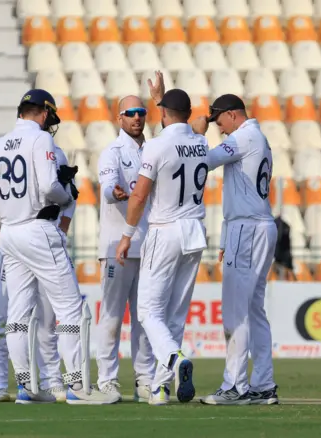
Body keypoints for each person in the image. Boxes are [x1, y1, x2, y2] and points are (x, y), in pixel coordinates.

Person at [0, 89, 119, 405]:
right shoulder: (42, 140)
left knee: (18, 315)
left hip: (10, 234)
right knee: (72, 309)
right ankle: (78, 388)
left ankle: (26, 388)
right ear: (43, 113)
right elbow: (49, 187)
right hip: (38, 227)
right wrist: (67, 194)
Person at [116, 87, 209, 406]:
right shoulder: (200, 142)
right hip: (195, 231)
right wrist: (162, 99)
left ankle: (172, 360)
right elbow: (188, 127)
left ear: (163, 114)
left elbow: (139, 195)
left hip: (165, 230)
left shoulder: (155, 146)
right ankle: (160, 388)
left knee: (148, 311)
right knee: (175, 315)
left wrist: (127, 234)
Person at [0, 141, 75, 403]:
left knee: (45, 316)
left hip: (37, 239)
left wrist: (62, 229)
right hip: (22, 237)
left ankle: (49, 382)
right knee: (7, 314)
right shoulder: (24, 150)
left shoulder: (55, 152)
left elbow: (70, 199)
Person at [191, 94, 279, 406]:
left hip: (247, 226)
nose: (218, 127)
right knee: (254, 309)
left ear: (232, 115)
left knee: (235, 310)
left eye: (219, 121)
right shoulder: (259, 137)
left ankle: (235, 385)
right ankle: (263, 384)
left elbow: (205, 161)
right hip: (259, 224)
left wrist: (196, 134)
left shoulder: (244, 137)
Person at [96, 94, 156, 402]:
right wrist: (114, 191)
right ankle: (107, 379)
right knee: (112, 315)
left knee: (145, 317)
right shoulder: (112, 151)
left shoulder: (154, 149)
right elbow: (107, 186)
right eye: (130, 113)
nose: (136, 118)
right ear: (120, 117)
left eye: (141, 112)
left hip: (148, 245)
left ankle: (144, 379)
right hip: (115, 244)